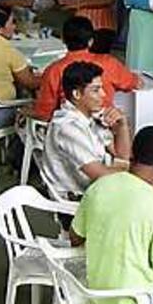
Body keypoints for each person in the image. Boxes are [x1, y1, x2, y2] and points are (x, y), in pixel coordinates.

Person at [42, 61, 131, 200]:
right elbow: (100, 174)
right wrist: (133, 175)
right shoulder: (68, 128)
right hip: (79, 199)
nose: (103, 94)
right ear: (77, 94)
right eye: (96, 90)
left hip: (100, 186)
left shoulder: (90, 115)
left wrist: (122, 125)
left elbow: (121, 155)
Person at [32, 16, 139, 121]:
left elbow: (44, 113)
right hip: (106, 127)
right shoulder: (109, 62)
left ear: (63, 40)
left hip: (70, 129)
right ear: (91, 41)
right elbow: (135, 83)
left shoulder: (54, 70)